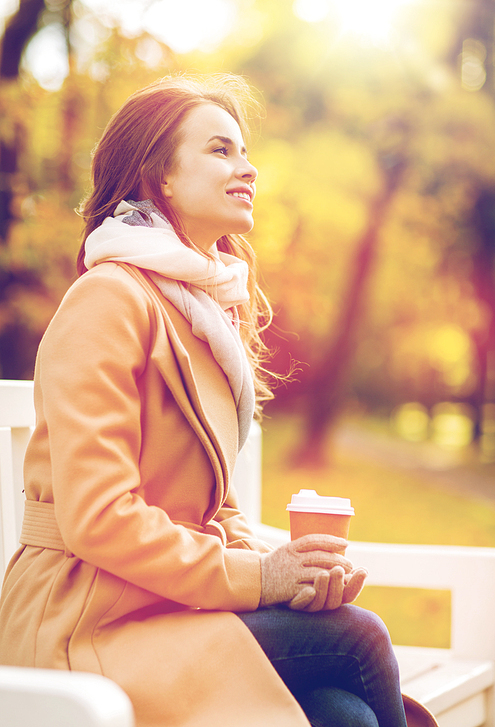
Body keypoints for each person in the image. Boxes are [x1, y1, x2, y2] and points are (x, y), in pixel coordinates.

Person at [0, 73, 410, 727]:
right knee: (357, 636)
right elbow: (97, 516)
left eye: (245, 152)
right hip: (83, 614)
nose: (247, 168)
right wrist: (259, 579)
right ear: (158, 175)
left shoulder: (201, 311)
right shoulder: (109, 298)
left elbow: (212, 503)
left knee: (345, 714)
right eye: (221, 150)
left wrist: (291, 572)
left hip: (166, 601)